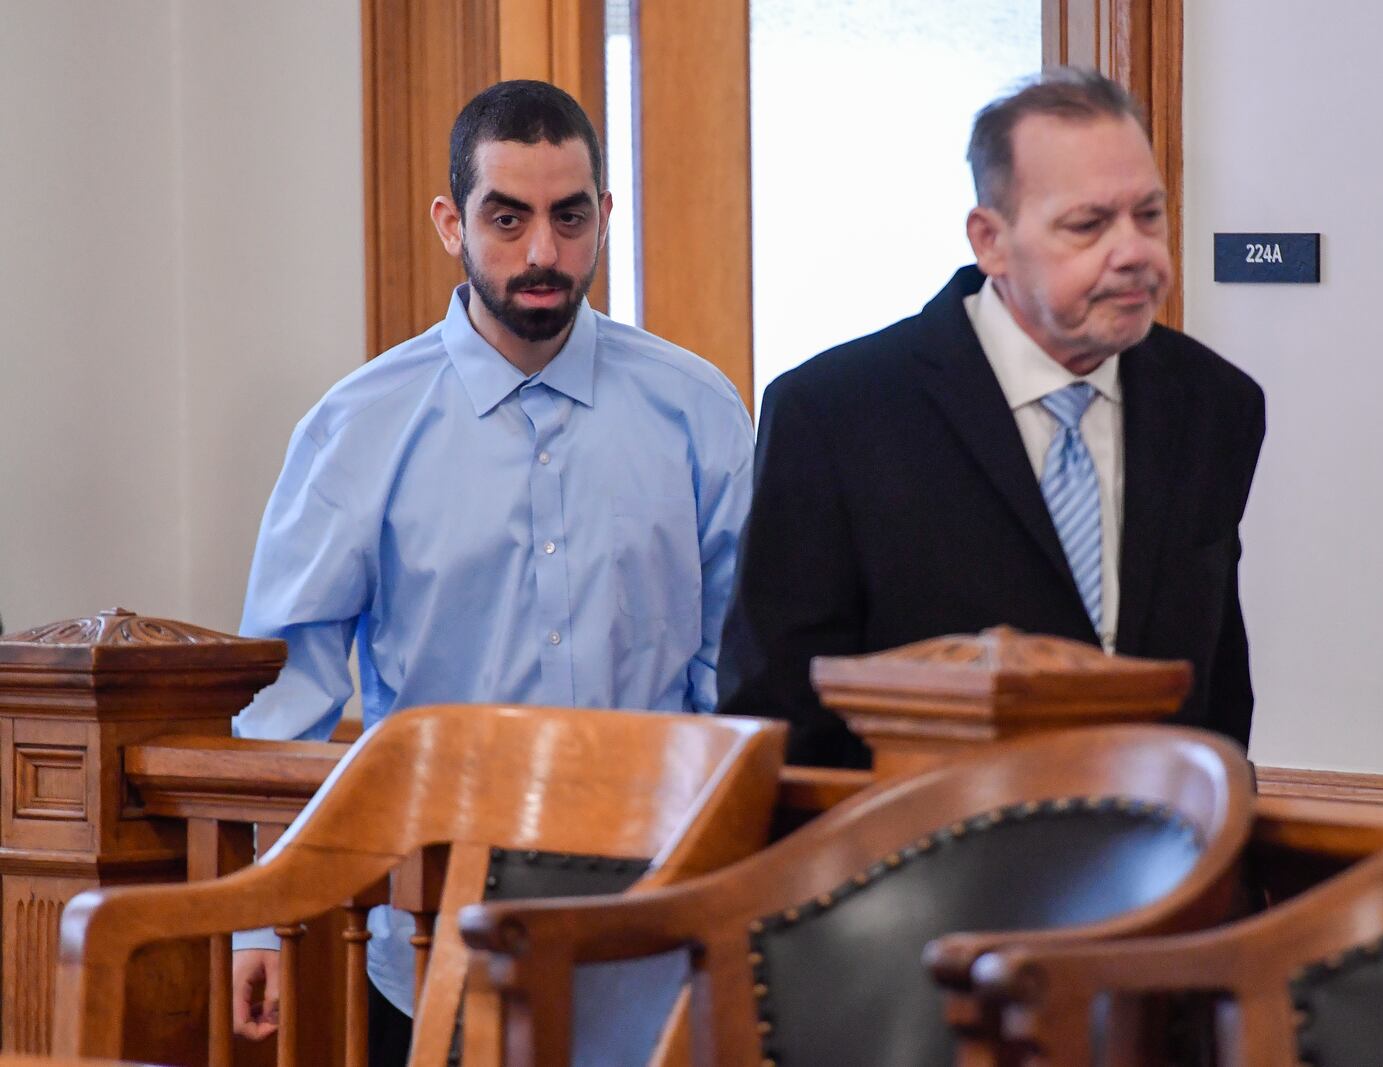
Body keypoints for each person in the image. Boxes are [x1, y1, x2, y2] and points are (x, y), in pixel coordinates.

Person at [230, 80, 753, 1060]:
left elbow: (738, 671)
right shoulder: (356, 429)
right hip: (426, 939)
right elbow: (285, 694)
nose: (542, 253)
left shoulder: (701, 413)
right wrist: (260, 917)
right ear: (449, 221)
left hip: (655, 937)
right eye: (506, 218)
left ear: (604, 215)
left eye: (568, 215)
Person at [718, 67, 1265, 768]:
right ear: (990, 241)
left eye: (1148, 215)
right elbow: (779, 714)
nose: (1133, 252)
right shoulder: (835, 414)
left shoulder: (1214, 405)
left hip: (1161, 855)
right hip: (917, 858)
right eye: (1089, 224)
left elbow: (1219, 686)